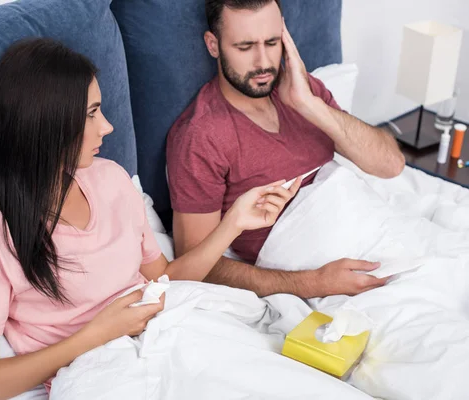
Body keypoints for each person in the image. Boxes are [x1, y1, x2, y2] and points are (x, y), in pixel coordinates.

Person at [0, 38, 299, 400]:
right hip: (100, 371)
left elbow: (164, 277)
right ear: (46, 121)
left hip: (169, 331)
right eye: (91, 113)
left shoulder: (111, 179)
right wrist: (97, 334)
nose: (107, 127)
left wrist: (235, 222)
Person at [166, 0, 406, 299]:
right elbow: (196, 264)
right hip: (321, 277)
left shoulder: (303, 90)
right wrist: (314, 284)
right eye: (245, 47)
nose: (263, 62)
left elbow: (391, 165)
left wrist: (310, 105)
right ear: (213, 45)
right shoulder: (201, 135)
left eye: (272, 42)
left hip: (383, 238)